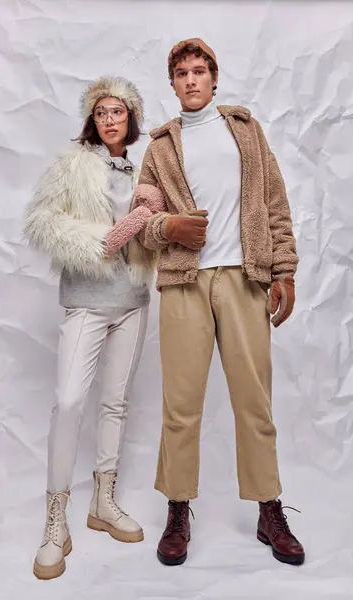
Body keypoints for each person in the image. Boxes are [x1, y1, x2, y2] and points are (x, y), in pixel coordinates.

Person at [134, 38, 305, 567]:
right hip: (184, 282)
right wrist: (170, 227)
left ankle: (268, 507)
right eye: (181, 72)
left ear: (214, 78)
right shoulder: (160, 146)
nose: (190, 79)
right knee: (180, 406)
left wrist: (285, 271)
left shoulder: (247, 132)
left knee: (254, 400)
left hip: (244, 279)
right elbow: (142, 225)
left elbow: (275, 204)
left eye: (199, 71)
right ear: (172, 83)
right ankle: (178, 507)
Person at [23, 76, 166, 580]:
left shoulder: (145, 167)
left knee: (115, 402)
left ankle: (103, 501)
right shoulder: (73, 164)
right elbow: (42, 221)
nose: (110, 119)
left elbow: (158, 229)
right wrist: (102, 240)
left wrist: (152, 216)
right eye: (102, 111)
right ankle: (55, 520)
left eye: (119, 111)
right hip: (86, 300)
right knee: (68, 401)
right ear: (92, 118)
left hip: (132, 300)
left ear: (131, 118)